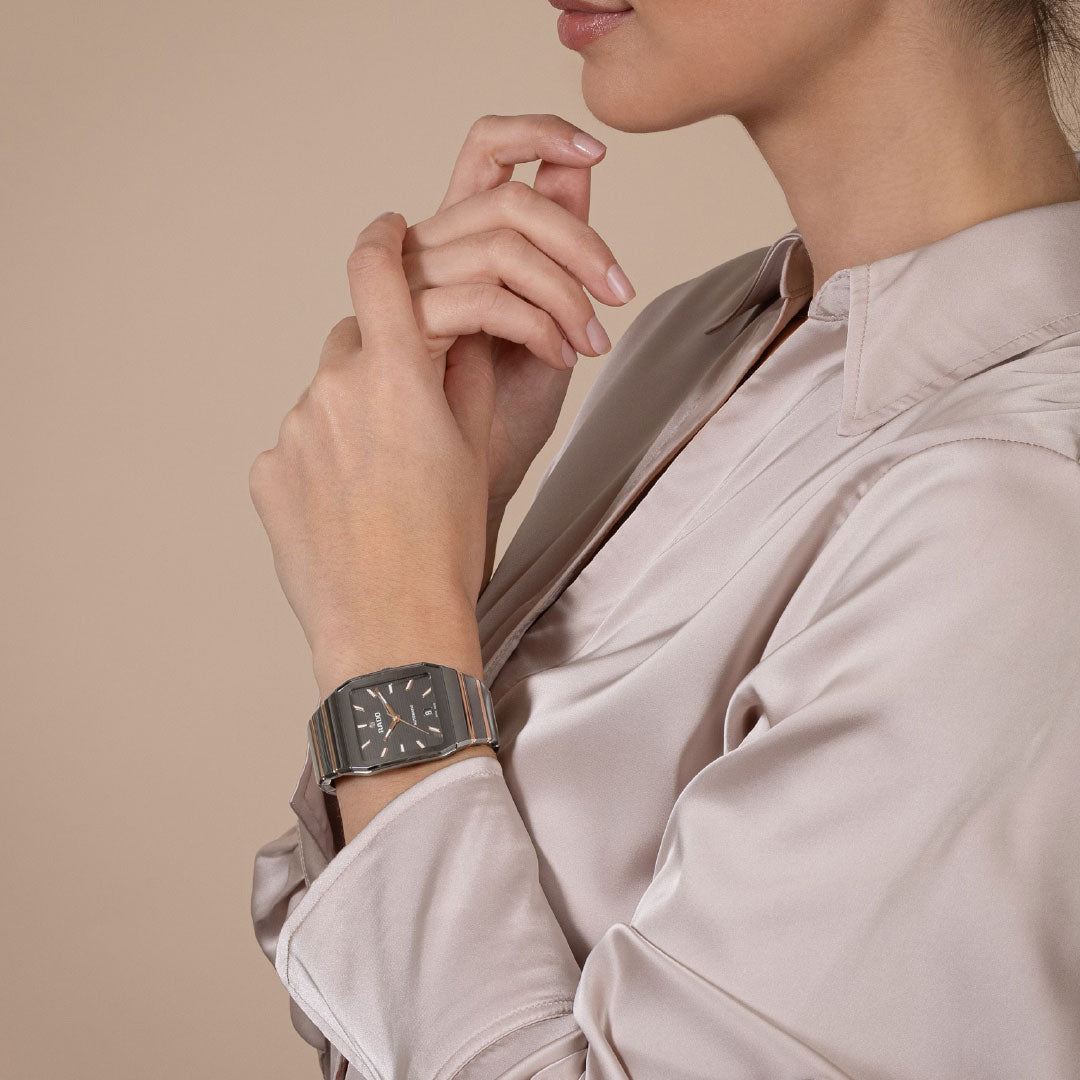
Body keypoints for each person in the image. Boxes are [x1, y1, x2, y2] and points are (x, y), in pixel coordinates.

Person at [248, 1, 1080, 1077]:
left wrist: (388, 635)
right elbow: (354, 1000)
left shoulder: (1013, 511)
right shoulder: (697, 339)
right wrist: (440, 538)